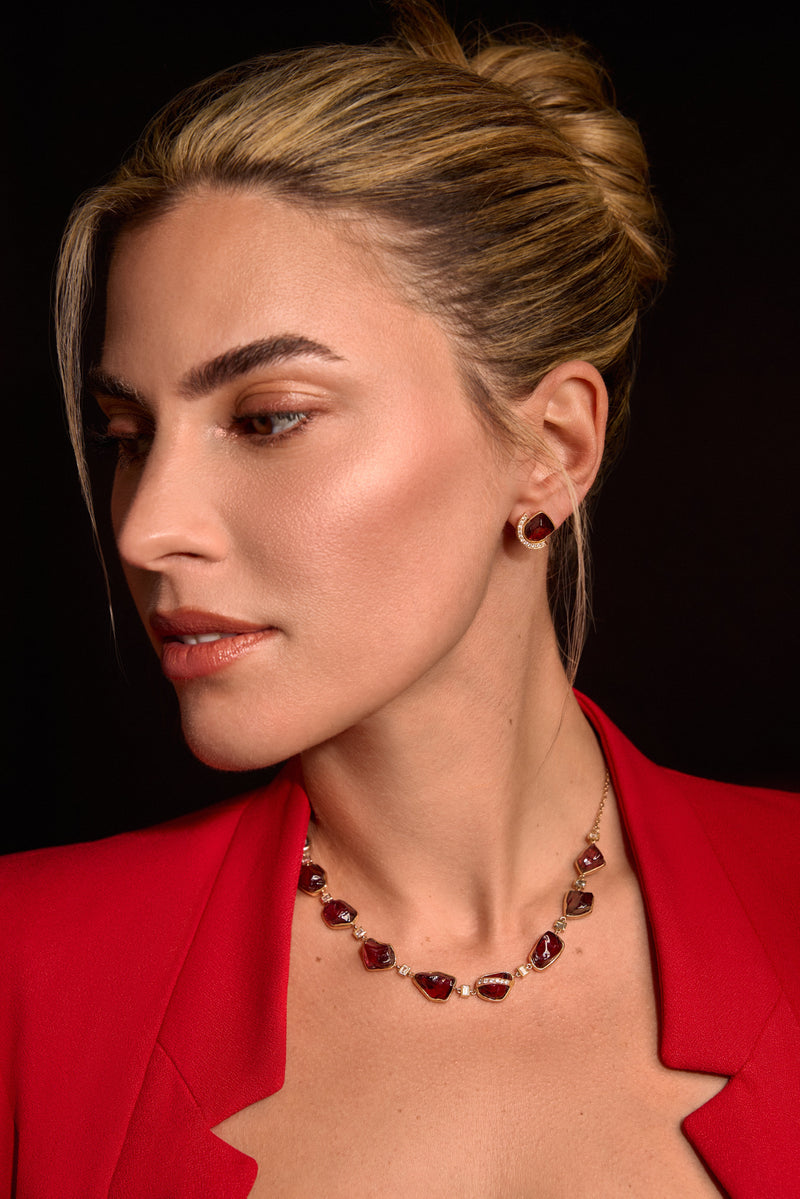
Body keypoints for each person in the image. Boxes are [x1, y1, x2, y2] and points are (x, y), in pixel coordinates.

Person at [2, 2, 797, 1196]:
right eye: (128, 435)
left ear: (550, 448)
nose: (146, 525)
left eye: (268, 418)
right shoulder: (26, 980)